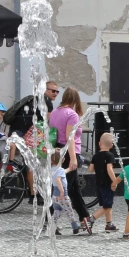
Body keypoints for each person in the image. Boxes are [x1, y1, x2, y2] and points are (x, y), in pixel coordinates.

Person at [49, 87, 93, 233]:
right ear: (75, 99)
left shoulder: (55, 112)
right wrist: (73, 158)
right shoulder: (71, 114)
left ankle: (83, 218)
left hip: (57, 151)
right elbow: (70, 137)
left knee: (72, 188)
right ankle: (82, 219)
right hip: (68, 153)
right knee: (65, 188)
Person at [89, 132, 119, 232]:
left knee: (107, 205)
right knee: (107, 206)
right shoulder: (110, 155)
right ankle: (91, 219)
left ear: (99, 143)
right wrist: (115, 181)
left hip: (98, 184)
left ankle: (109, 225)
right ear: (112, 145)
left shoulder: (96, 155)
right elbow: (109, 169)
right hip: (107, 184)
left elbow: (90, 169)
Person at [49, 150, 81, 236]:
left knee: (57, 211)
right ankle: (75, 227)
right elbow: (58, 180)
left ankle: (53, 227)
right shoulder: (60, 170)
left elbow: (63, 172)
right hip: (62, 195)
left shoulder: (53, 169)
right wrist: (62, 191)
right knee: (69, 211)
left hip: (55, 196)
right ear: (63, 160)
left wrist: (70, 169)